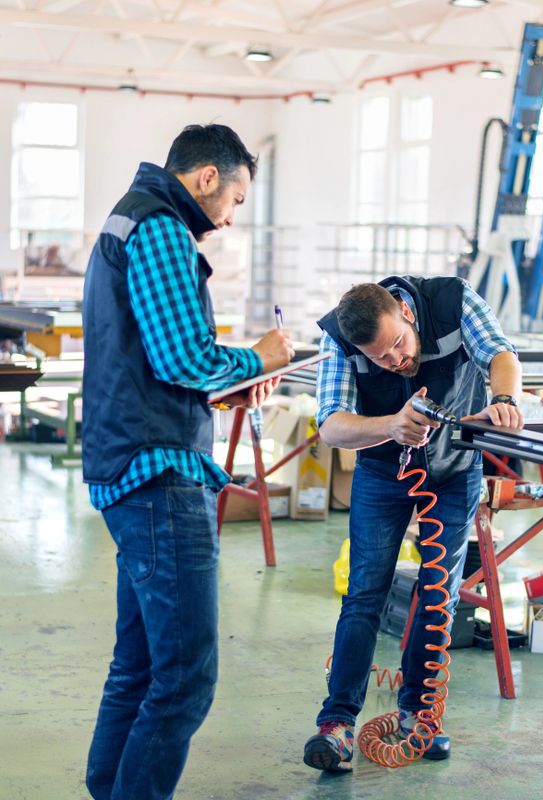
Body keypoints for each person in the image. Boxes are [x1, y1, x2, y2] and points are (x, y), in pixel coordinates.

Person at [82, 124, 294, 800]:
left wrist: (227, 382)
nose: (231, 219)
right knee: (185, 679)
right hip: (158, 477)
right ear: (206, 178)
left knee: (140, 666)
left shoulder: (128, 217)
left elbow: (159, 362)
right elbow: (183, 358)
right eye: (234, 201)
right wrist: (258, 359)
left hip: (132, 464)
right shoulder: (164, 228)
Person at [303, 274, 523, 773]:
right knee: (364, 593)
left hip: (453, 470)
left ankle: (417, 716)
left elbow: (500, 352)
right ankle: (336, 725)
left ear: (404, 311)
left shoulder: (451, 301)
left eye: (399, 345)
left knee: (438, 591)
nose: (395, 361)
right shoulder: (338, 336)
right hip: (383, 472)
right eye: (379, 358)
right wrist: (389, 424)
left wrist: (506, 400)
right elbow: (331, 423)